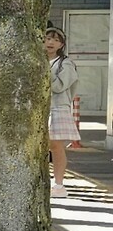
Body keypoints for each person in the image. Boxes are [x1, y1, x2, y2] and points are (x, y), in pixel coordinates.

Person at [48, 26, 81, 198]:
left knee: (56, 146)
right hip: (40, 109)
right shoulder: (35, 59)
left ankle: (59, 185)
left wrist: (44, 70)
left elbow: (59, 86)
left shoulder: (65, 63)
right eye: (47, 38)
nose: (50, 42)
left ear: (61, 45)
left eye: (56, 40)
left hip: (57, 108)